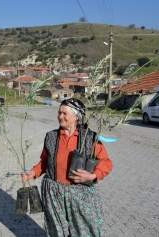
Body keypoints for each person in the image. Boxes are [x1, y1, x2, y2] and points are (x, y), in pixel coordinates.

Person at [21, 98, 113, 236]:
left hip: (80, 193)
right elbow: (45, 162)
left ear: (77, 116)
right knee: (58, 231)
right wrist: (33, 173)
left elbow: (106, 162)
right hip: (54, 192)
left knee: (86, 230)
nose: (60, 116)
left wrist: (93, 176)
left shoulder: (90, 137)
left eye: (64, 113)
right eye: (59, 113)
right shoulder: (51, 137)